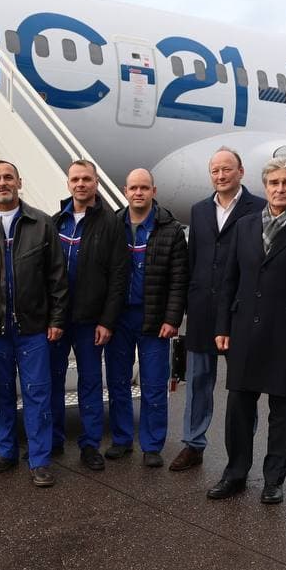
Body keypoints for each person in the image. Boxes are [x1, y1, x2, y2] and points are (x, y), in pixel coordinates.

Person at [209, 156, 286, 503]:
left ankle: (273, 480)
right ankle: (235, 473)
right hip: (244, 330)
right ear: (265, 187)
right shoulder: (244, 226)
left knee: (282, 410)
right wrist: (222, 325)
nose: (280, 189)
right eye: (274, 183)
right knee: (238, 407)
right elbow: (229, 281)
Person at [0, 160, 68, 487]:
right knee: (2, 393)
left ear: (19, 182)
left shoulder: (42, 223)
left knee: (38, 394)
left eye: (8, 177)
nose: (3, 183)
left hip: (33, 328)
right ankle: (6, 452)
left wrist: (56, 319)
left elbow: (57, 277)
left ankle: (40, 460)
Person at [172, 147, 265, 472]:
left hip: (240, 309)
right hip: (202, 310)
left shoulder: (260, 208)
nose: (221, 176)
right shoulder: (199, 211)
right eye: (215, 171)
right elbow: (194, 259)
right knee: (198, 381)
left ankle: (241, 451)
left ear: (241, 172)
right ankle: (193, 444)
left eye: (227, 169)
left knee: (242, 384)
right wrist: (186, 305)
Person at [105, 168, 188, 468]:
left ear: (154, 191)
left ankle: (152, 445)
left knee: (154, 385)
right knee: (118, 382)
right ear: (125, 191)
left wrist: (172, 318)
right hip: (119, 318)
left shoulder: (171, 230)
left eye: (144, 187)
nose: (138, 193)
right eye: (133, 188)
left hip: (154, 319)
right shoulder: (112, 225)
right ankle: (122, 439)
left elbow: (179, 279)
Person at [50, 159, 129, 470]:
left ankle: (90, 445)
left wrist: (107, 321)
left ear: (96, 183)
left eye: (86, 179)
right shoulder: (56, 221)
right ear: (68, 183)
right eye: (75, 179)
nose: (80, 184)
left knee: (91, 383)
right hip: (58, 319)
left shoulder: (111, 223)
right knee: (52, 381)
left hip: (90, 321)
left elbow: (119, 276)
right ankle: (53, 440)